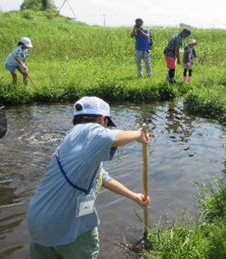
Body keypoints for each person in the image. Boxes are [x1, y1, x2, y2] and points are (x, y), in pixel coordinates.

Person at [26, 96, 151, 258]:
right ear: (102, 119)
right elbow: (107, 137)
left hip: (39, 221)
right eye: (106, 124)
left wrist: (134, 197)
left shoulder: (73, 144)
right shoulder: (88, 130)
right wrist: (138, 134)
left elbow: (103, 178)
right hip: (67, 224)